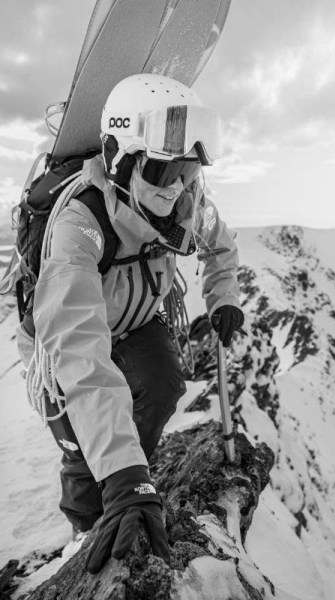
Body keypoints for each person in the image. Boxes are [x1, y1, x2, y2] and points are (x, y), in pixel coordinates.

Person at [17, 74, 244, 574]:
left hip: (138, 320)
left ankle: (127, 480)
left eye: (188, 169)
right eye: (165, 172)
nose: (180, 186)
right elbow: (78, 347)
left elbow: (221, 245)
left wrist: (223, 295)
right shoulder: (80, 225)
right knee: (80, 439)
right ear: (122, 159)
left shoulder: (187, 206)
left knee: (162, 387)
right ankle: (86, 523)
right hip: (63, 341)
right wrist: (122, 476)